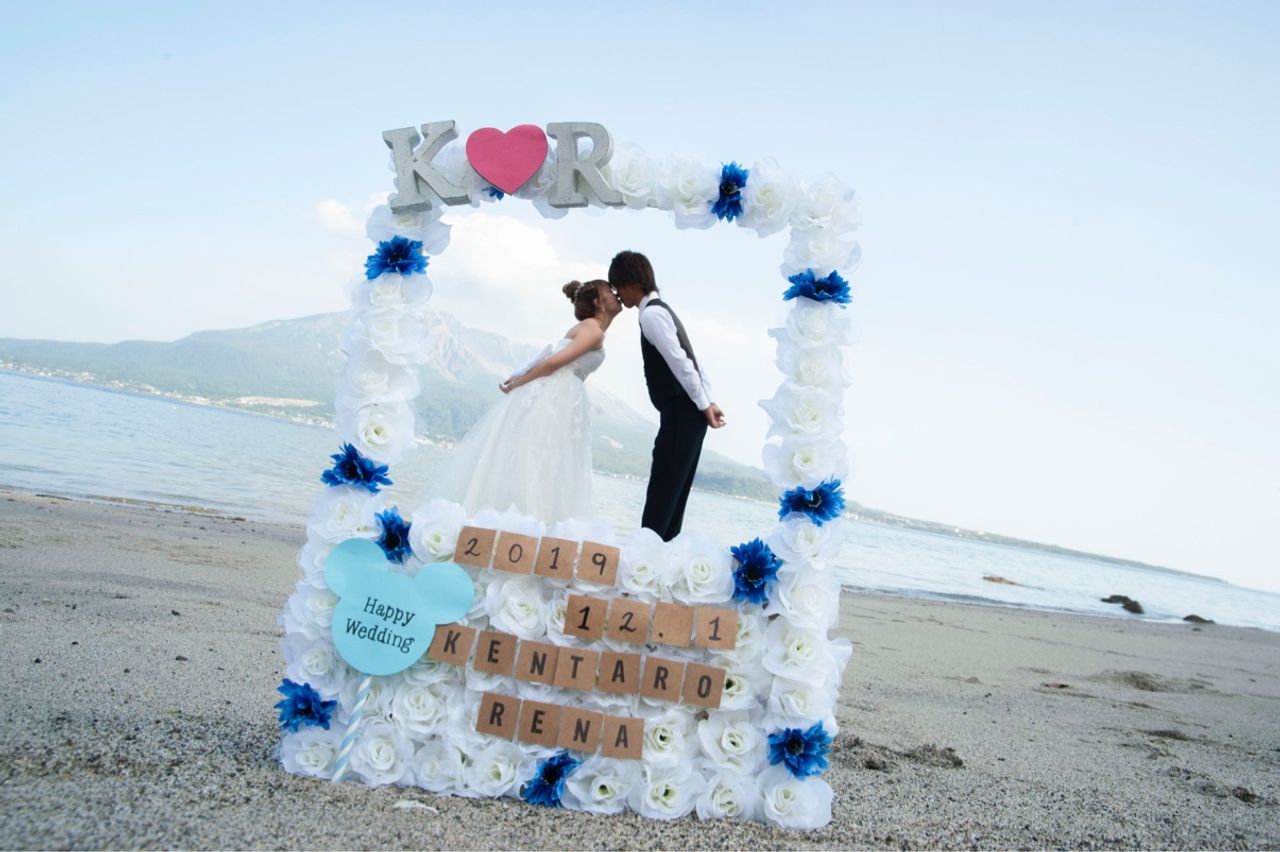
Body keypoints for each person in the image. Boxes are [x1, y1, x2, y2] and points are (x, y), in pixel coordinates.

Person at [422, 279, 621, 523]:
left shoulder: (589, 328)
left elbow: (553, 360)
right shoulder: (593, 330)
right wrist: (519, 382)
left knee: (540, 461)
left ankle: (521, 522)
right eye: (610, 291)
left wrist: (522, 378)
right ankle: (529, 523)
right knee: (543, 462)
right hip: (556, 398)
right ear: (599, 302)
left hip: (559, 396)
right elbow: (553, 363)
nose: (616, 295)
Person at [608, 250, 725, 541]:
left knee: (663, 495)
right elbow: (691, 360)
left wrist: (704, 405)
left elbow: (682, 363)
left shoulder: (651, 315)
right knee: (672, 496)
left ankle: (645, 558)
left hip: (682, 414)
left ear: (632, 282)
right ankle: (660, 558)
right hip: (688, 413)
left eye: (618, 286)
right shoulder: (660, 311)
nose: (618, 293)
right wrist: (707, 401)